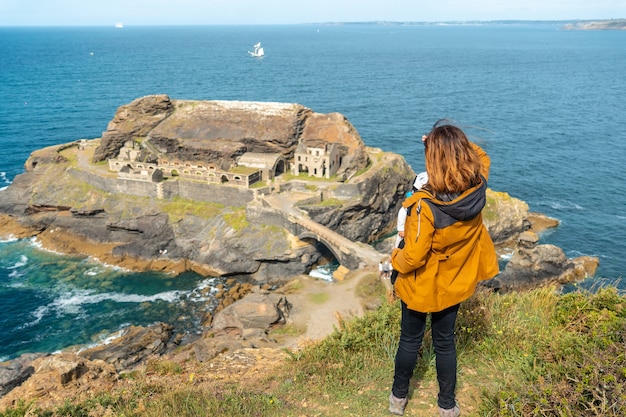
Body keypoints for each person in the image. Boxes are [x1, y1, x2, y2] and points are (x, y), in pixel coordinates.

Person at [388, 120, 499, 417]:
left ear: (432, 160)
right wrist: (451, 145)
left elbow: (412, 257)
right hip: (454, 282)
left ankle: (399, 398)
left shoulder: (425, 206)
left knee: (410, 340)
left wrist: (393, 259)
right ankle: (447, 405)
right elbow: (483, 158)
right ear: (463, 154)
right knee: (445, 342)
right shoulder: (477, 187)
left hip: (422, 285)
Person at [395, 172, 428, 248]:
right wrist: (401, 229)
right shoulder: (412, 201)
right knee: (400, 246)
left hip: (416, 230)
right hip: (407, 230)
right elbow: (402, 211)